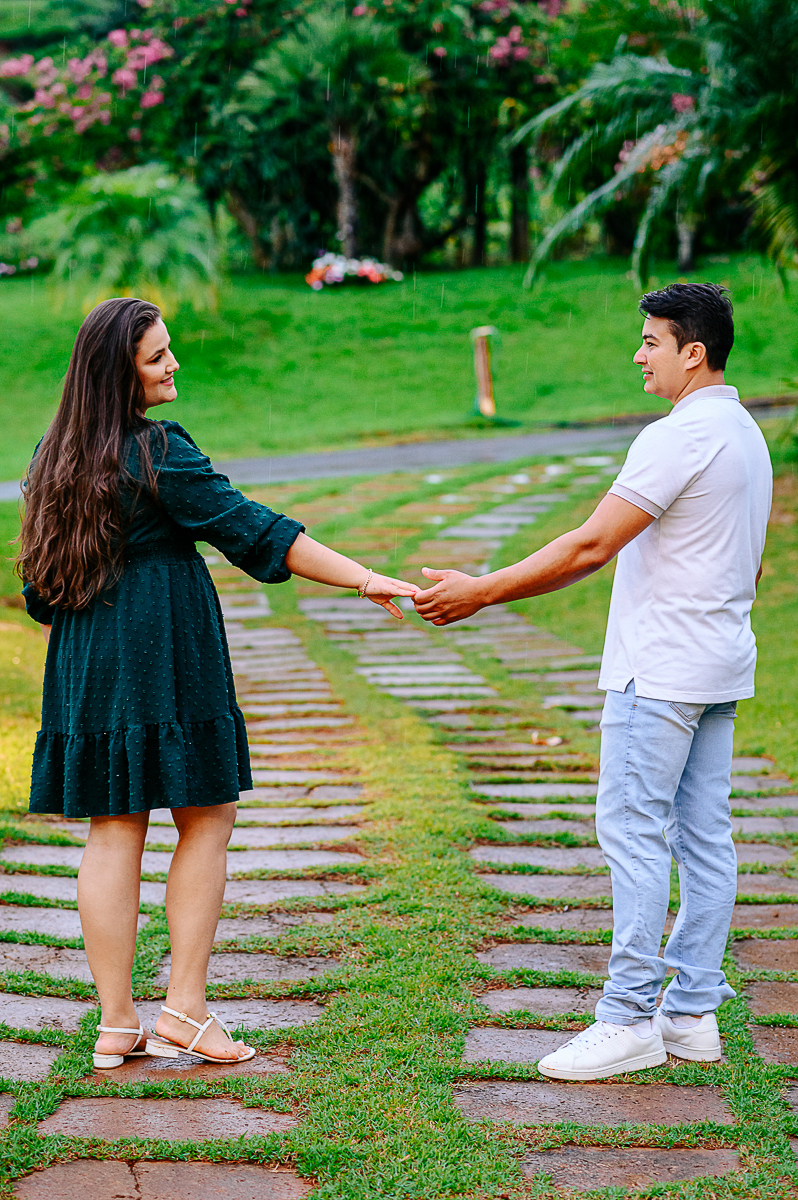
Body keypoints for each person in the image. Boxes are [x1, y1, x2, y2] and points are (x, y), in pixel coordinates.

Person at [18, 297, 418, 1070]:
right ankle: (187, 1011)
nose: (173, 365)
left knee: (113, 828)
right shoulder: (158, 451)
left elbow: (40, 591)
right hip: (165, 648)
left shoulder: (49, 456)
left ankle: (114, 1024)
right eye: (157, 356)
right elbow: (253, 529)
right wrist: (367, 579)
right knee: (206, 816)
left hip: (85, 658)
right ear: (119, 372)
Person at [413, 282, 772, 1080]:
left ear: (694, 352)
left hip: (662, 670)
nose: (638, 355)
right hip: (717, 665)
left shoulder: (679, 437)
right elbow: (749, 564)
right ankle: (691, 1013)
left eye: (651, 341)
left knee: (635, 831)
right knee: (705, 837)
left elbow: (588, 546)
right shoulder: (747, 435)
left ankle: (628, 1017)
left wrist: (482, 589)